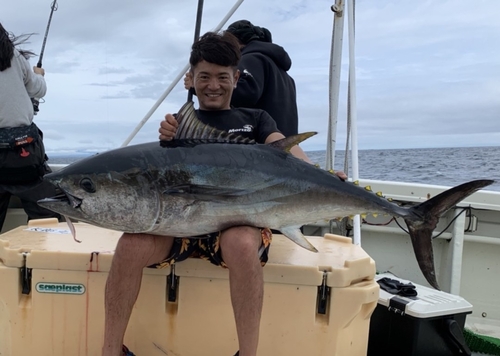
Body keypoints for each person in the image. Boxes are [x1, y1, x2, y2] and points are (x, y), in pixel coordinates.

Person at [102, 31, 313, 356]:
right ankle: (110, 350)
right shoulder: (180, 124)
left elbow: (283, 147)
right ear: (191, 79)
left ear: (236, 77)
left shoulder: (256, 119)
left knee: (241, 240)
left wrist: (322, 176)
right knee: (130, 244)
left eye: (221, 76)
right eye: (204, 76)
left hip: (236, 224)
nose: (213, 85)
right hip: (180, 228)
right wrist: (169, 141)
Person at [185, 19, 299, 137]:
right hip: (283, 143)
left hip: (259, 146)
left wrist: (195, 87)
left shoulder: (252, 58)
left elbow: (246, 93)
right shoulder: (285, 76)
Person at [0, 23, 60, 232]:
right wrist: (39, 74)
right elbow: (38, 89)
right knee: (46, 215)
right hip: (24, 155)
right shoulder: (14, 57)